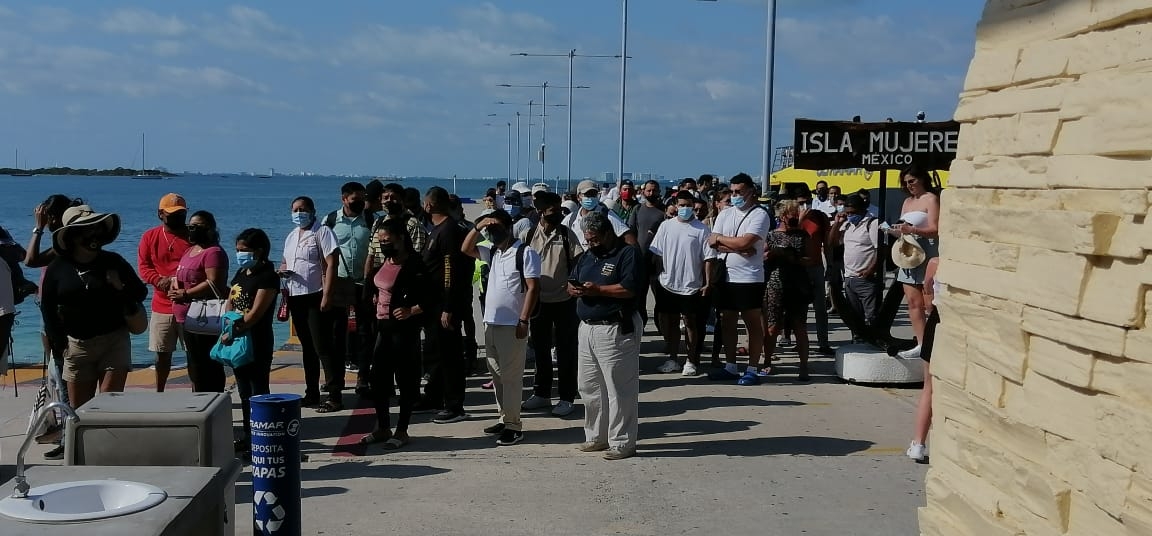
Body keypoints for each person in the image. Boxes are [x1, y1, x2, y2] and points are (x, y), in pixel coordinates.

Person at [41, 205, 147, 411]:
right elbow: (48, 308)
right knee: (80, 411)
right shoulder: (58, 267)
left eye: (96, 228)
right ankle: (83, 444)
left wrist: (119, 286)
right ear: (72, 236)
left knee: (108, 406)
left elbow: (140, 293)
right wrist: (60, 345)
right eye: (86, 230)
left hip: (114, 341)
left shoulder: (114, 261)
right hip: (77, 345)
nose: (93, 234)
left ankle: (110, 443)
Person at [570, 210, 644, 460]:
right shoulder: (588, 256)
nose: (591, 244)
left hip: (614, 327)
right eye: (587, 240)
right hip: (587, 327)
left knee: (618, 388)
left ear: (607, 232)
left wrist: (599, 290)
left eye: (595, 239)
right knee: (589, 386)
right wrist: (573, 287)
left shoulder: (627, 253)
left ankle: (622, 442)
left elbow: (629, 288)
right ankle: (596, 437)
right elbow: (574, 277)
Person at [463, 210, 541, 446]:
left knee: (512, 377)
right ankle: (504, 417)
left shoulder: (525, 253)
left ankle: (514, 426)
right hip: (491, 323)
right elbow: (466, 249)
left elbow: (533, 288)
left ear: (509, 227)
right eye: (490, 230)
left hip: (512, 325)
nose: (492, 232)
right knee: (496, 375)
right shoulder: (494, 251)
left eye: (496, 228)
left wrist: (524, 319)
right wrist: (479, 226)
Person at [359, 219, 428, 450]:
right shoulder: (384, 262)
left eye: (387, 241)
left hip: (403, 331)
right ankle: (382, 427)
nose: (383, 245)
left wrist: (412, 310)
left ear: (400, 238)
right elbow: (376, 284)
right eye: (380, 242)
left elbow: (434, 298)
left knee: (406, 380)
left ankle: (402, 429)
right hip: (382, 328)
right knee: (378, 380)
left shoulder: (416, 265)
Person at [521, 192, 584, 417]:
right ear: (540, 212)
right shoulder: (528, 235)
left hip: (565, 302)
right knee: (540, 350)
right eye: (552, 211)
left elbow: (579, 262)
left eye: (559, 209)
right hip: (539, 302)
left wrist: (572, 283)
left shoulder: (567, 235)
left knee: (567, 351)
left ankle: (567, 396)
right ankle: (542, 394)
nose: (557, 213)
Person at [707, 173, 771, 385]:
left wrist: (728, 243)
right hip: (726, 276)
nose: (735, 196)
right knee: (727, 321)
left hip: (749, 278)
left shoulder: (759, 215)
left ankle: (752, 367)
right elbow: (712, 242)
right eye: (732, 192)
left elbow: (746, 242)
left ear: (750, 191)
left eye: (738, 192)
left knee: (752, 321)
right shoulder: (725, 214)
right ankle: (731, 365)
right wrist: (737, 247)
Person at [419, 186, 474, 424]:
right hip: (432, 304)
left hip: (445, 305)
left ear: (429, 205)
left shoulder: (449, 230)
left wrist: (448, 307)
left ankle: (455, 405)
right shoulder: (436, 230)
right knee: (436, 354)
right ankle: (435, 396)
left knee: (450, 356)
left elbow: (450, 271)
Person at [280, 196, 340, 410]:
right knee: (307, 348)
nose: (299, 213)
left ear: (313, 210)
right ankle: (311, 392)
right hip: (296, 295)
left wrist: (327, 294)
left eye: (303, 209)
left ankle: (334, 395)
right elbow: (287, 260)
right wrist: (282, 271)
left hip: (316, 294)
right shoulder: (291, 236)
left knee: (322, 346)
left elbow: (332, 263)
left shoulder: (322, 232)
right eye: (295, 209)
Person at [651, 191, 716, 376]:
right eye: (682, 205)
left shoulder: (702, 230)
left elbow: (708, 259)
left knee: (690, 323)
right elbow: (657, 253)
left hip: (691, 285)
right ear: (675, 206)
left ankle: (691, 360)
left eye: (688, 205)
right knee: (670, 323)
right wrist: (658, 275)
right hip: (667, 283)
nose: (685, 209)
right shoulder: (666, 226)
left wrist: (708, 283)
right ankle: (672, 358)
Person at [226, 228, 279, 454]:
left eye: (244, 250)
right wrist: (227, 324)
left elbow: (256, 313)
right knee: (244, 391)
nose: (240, 254)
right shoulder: (241, 272)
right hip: (237, 339)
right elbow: (231, 299)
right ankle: (249, 435)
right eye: (238, 250)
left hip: (257, 340)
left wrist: (237, 327)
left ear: (258, 251)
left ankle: (263, 438)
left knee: (258, 391)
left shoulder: (267, 276)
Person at [322, 182, 374, 395]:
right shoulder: (330, 221)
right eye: (355, 199)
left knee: (364, 332)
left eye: (363, 198)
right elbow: (322, 251)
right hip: (339, 283)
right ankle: (336, 379)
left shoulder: (372, 220)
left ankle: (363, 376)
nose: (360, 202)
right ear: (344, 199)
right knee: (337, 332)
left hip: (364, 282)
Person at [168, 211, 228, 393]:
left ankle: (213, 401)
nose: (191, 230)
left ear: (209, 228)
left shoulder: (213, 252)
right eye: (189, 226)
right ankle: (199, 399)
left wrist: (186, 294)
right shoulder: (190, 250)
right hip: (185, 317)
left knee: (207, 365)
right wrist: (174, 285)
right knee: (194, 365)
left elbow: (213, 283)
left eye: (196, 226)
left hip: (205, 318)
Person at [138, 193, 191, 392]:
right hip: (162, 305)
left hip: (190, 305)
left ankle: (197, 392)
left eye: (181, 213)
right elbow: (144, 267)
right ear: (160, 214)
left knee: (193, 354)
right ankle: (159, 391)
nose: (178, 218)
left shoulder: (193, 236)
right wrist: (159, 281)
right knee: (162, 354)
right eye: (172, 214)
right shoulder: (150, 236)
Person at [890, 166, 940, 359]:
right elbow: (904, 226)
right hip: (908, 254)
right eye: (905, 182)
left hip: (926, 253)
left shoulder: (931, 199)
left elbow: (936, 228)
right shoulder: (907, 201)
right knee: (913, 302)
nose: (908, 185)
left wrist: (913, 231)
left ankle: (932, 342)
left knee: (929, 303)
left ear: (921, 179)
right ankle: (920, 343)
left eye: (912, 181)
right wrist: (897, 230)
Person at [761, 200, 813, 381]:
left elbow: (812, 259)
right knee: (773, 326)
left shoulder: (803, 235)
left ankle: (804, 365)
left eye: (795, 213)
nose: (794, 216)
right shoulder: (772, 235)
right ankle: (767, 361)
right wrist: (773, 254)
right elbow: (762, 256)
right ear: (782, 216)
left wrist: (796, 258)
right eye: (791, 213)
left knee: (800, 326)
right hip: (777, 283)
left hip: (798, 284)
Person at [829, 194, 881, 340]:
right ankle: (857, 339)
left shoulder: (872, 223)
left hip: (866, 278)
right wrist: (837, 223)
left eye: (853, 212)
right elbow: (832, 242)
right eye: (848, 213)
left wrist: (870, 270)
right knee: (854, 316)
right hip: (849, 277)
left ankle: (874, 339)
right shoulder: (848, 226)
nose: (850, 215)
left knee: (872, 315)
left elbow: (880, 249)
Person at [907, 257, 940, 463]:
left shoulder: (935, 263)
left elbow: (928, 304)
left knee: (929, 386)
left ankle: (918, 443)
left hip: (938, 322)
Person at [794, 189, 834, 355]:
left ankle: (823, 343)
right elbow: (790, 237)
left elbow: (827, 242)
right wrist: (800, 219)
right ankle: (800, 343)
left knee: (820, 308)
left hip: (816, 266)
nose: (805, 205)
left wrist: (829, 265)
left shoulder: (820, 216)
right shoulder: (791, 217)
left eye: (807, 201)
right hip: (799, 268)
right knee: (800, 309)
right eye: (801, 202)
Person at [563, 180, 635, 248]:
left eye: (593, 195)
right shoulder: (571, 219)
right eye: (587, 195)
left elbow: (628, 237)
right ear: (578, 197)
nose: (591, 198)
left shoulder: (607, 215)